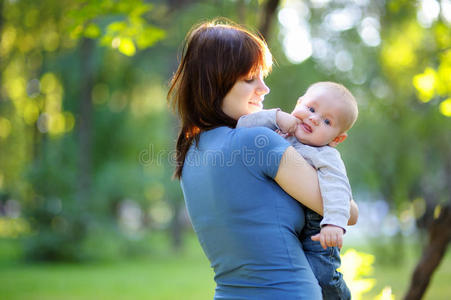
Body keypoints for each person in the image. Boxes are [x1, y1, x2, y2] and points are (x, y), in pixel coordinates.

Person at [167, 19, 358, 299]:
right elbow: (349, 213)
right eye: (249, 79)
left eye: (262, 77)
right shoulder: (258, 142)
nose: (264, 88)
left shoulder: (190, 153)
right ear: (214, 82)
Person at [237, 81, 359, 299]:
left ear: (337, 139)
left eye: (327, 121)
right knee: (292, 281)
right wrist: (276, 117)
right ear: (299, 103)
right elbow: (243, 125)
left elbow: (339, 189)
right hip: (288, 225)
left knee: (321, 277)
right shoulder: (278, 132)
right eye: (311, 109)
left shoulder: (326, 155)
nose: (314, 118)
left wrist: (334, 223)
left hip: (318, 231)